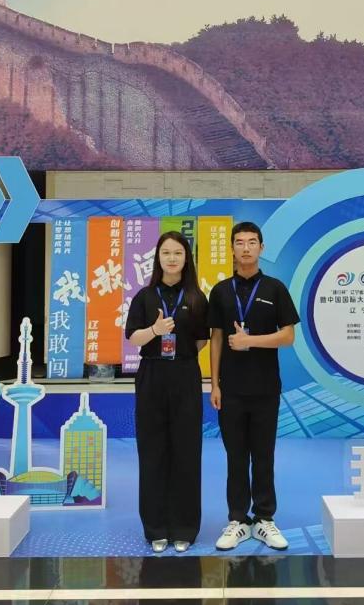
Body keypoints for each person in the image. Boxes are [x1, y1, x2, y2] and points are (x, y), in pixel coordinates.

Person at [208, 221, 300, 551]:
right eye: (239, 242)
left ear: (261, 247)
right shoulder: (220, 291)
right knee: (235, 457)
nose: (245, 248)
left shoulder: (275, 289)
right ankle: (237, 520)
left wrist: (251, 341)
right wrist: (214, 385)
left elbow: (288, 336)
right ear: (232, 248)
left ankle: (264, 519)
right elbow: (216, 339)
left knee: (263, 456)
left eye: (251, 242)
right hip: (230, 390)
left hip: (265, 389)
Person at [125, 231, 208, 554]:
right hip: (152, 375)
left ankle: (185, 527)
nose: (172, 258)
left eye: (178, 253)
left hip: (185, 375)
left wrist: (180, 354)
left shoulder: (197, 298)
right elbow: (133, 338)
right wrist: (155, 331)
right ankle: (156, 527)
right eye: (166, 253)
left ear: (186, 259)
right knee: (152, 452)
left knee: (187, 452)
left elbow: (201, 340)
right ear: (158, 258)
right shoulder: (144, 297)